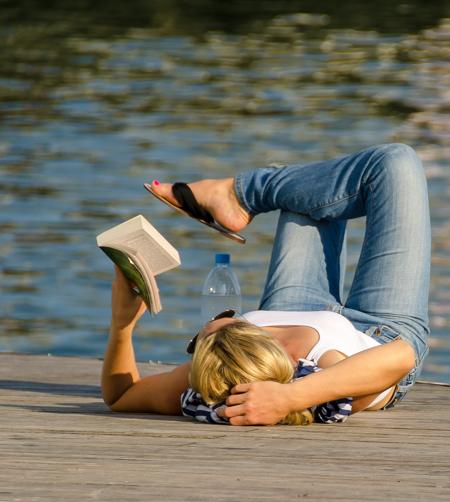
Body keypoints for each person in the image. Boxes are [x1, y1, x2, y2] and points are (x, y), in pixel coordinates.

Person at [101, 143, 430, 425]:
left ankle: (236, 198)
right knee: (395, 163)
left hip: (290, 306)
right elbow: (400, 358)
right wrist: (290, 397)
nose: (199, 337)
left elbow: (122, 395)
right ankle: (241, 194)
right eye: (202, 337)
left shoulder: (210, 374)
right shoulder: (320, 376)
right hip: (380, 330)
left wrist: (122, 326)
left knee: (309, 191)